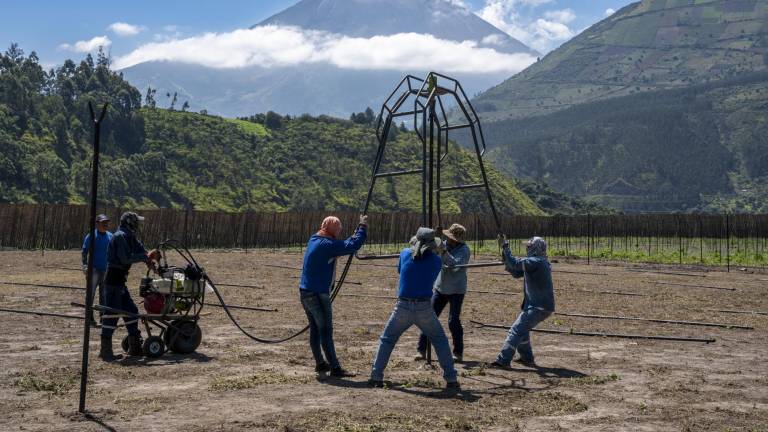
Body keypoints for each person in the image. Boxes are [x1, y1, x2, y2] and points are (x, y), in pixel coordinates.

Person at [369, 227, 459, 390]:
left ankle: (376, 376)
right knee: (439, 340)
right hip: (424, 307)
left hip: (402, 306)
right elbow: (453, 264)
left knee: (387, 340)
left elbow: (400, 270)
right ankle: (451, 379)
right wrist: (443, 250)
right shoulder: (436, 260)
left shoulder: (404, 254)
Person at [300, 214, 368, 377]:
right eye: (338, 229)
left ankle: (320, 363)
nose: (340, 231)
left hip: (305, 292)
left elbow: (343, 244)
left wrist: (354, 234)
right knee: (325, 331)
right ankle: (335, 368)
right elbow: (353, 245)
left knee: (315, 330)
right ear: (333, 229)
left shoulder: (314, 239)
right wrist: (363, 227)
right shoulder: (328, 245)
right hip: (317, 294)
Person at [99, 212, 160, 362]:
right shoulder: (120, 236)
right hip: (113, 282)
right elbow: (125, 258)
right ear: (129, 223)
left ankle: (135, 348)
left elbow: (142, 251)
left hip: (120, 282)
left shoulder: (129, 236)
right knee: (111, 315)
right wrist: (144, 257)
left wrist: (150, 260)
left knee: (131, 312)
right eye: (136, 223)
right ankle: (106, 352)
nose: (137, 226)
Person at [490, 236, 555, 368]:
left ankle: (503, 360)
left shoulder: (536, 261)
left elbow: (515, 264)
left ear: (535, 248)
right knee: (522, 331)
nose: (527, 248)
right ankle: (527, 358)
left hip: (537, 306)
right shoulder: (539, 262)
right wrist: (506, 259)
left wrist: (505, 247)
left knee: (516, 330)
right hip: (538, 306)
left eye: (529, 246)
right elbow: (516, 272)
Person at [416, 223, 470, 362]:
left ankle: (458, 353)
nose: (449, 240)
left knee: (453, 321)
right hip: (441, 287)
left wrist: (444, 251)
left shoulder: (464, 250)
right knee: (429, 317)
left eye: (452, 238)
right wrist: (434, 240)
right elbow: (432, 252)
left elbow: (454, 266)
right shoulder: (444, 243)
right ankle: (421, 350)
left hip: (457, 289)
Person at [82, 214, 113, 324]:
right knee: (91, 294)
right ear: (97, 223)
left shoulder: (110, 236)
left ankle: (103, 317)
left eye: (107, 222)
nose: (106, 224)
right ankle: (89, 317)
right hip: (93, 270)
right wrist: (85, 266)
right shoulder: (91, 236)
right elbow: (84, 252)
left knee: (104, 295)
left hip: (106, 270)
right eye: (103, 222)